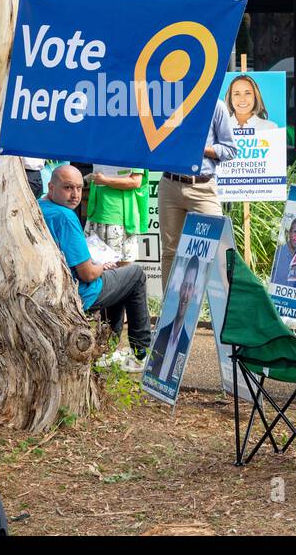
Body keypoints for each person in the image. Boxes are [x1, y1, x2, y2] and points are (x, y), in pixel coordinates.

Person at [40, 164, 150, 372]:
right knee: (135, 275)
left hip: (52, 290)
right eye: (68, 188)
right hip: (79, 293)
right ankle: (141, 353)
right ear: (51, 187)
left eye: (79, 188)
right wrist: (101, 266)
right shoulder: (65, 216)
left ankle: (107, 350)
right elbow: (88, 273)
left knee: (120, 281)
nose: (75, 195)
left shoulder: (39, 205)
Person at [158, 100, 236, 283]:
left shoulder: (216, 105)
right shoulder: (168, 100)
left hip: (203, 187)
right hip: (170, 183)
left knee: (218, 249)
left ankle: (223, 309)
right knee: (170, 251)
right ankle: (169, 310)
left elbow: (230, 149)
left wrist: (200, 149)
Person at [144, 256, 200, 383]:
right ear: (180, 288)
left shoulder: (185, 342)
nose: (185, 295)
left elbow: (174, 380)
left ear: (194, 292)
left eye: (190, 287)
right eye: (185, 286)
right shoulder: (162, 334)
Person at [84, 164, 149, 268]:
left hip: (120, 216)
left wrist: (105, 181)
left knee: (120, 268)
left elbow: (136, 181)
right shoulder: (99, 148)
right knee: (95, 264)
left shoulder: (135, 148)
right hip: (96, 214)